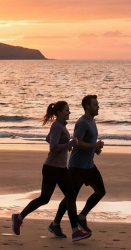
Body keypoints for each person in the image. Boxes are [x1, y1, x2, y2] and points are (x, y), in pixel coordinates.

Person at [11, 101, 92, 242]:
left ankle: (75, 232)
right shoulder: (57, 126)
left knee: (70, 197)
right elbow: (53, 147)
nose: (69, 112)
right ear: (59, 113)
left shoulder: (60, 126)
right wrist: (70, 144)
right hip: (52, 168)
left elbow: (49, 139)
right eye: (67, 110)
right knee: (45, 198)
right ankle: (18, 217)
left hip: (60, 168)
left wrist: (65, 146)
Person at [52, 95, 105, 234]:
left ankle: (81, 217)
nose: (98, 106)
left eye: (97, 104)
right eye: (95, 104)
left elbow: (86, 143)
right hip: (77, 167)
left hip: (89, 166)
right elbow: (77, 143)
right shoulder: (82, 123)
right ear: (87, 107)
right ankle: (55, 223)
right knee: (71, 197)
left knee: (100, 191)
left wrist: (95, 149)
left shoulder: (92, 122)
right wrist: (94, 145)